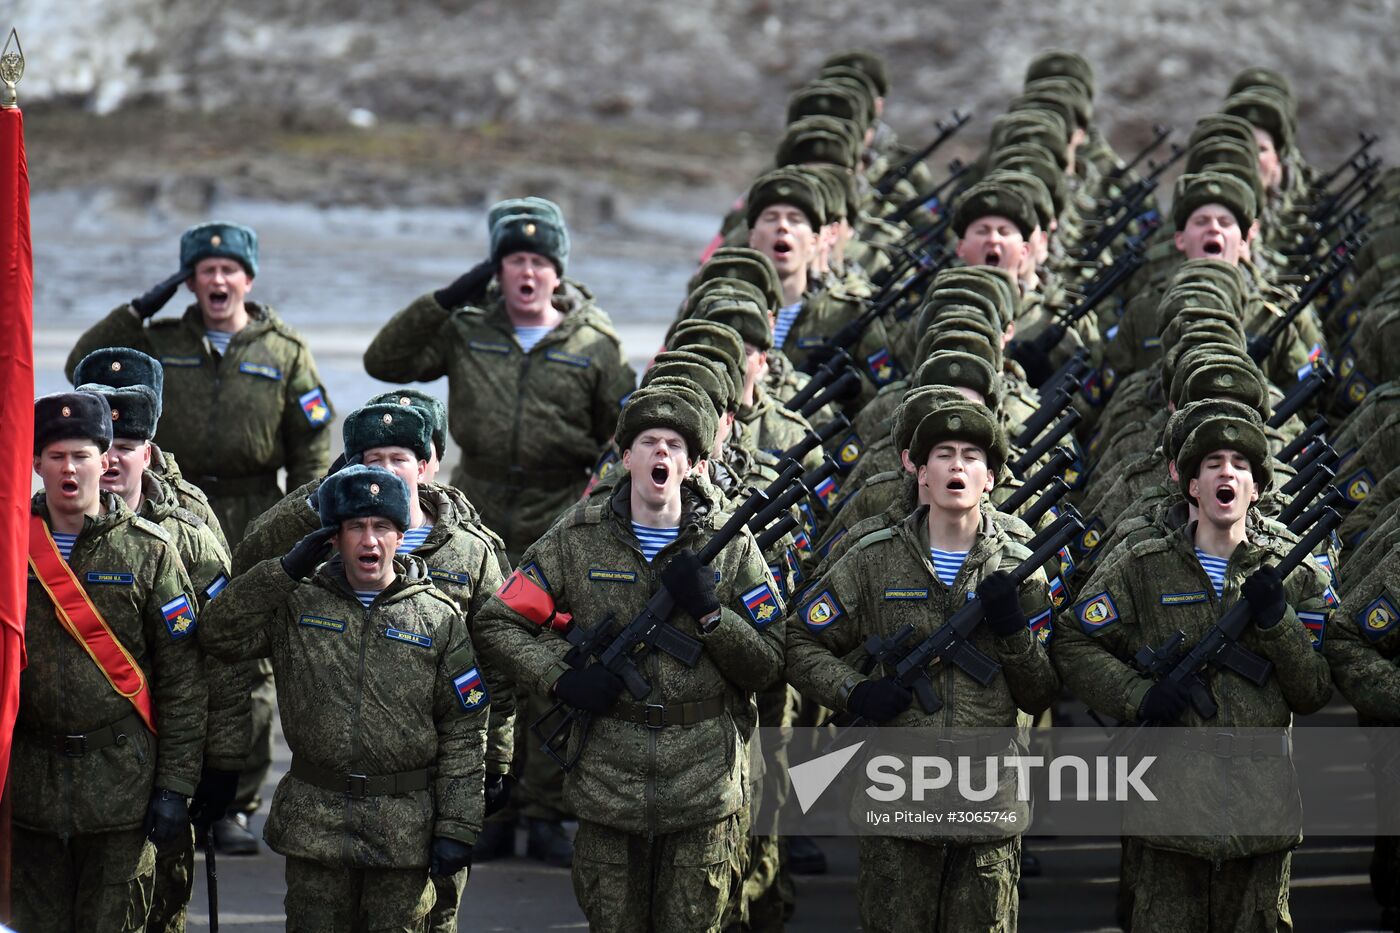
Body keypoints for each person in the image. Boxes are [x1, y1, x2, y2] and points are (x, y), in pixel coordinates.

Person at [475, 386, 784, 931]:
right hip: (607, 784)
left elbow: (769, 664)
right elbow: (500, 623)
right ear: (626, 457)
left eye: (674, 445)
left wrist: (713, 615)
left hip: (703, 787)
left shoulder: (732, 544)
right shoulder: (577, 538)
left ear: (695, 464)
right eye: (648, 442)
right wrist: (561, 678)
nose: (661, 454)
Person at [1052, 412, 1333, 931]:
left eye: (1240, 465)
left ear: (1255, 489)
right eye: (1212, 464)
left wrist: (1279, 623)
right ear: (1191, 486)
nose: (1227, 473)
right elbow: (1072, 640)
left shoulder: (1295, 574)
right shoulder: (1143, 563)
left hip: (1259, 817)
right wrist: (1138, 693)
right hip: (1167, 816)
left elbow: (1315, 690)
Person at [787, 399, 1055, 931]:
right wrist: (855, 691)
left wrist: (1013, 633)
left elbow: (1041, 692)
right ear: (918, 471)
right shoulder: (872, 555)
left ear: (991, 478)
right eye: (943, 455)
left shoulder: (1023, 566)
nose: (957, 466)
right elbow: (799, 641)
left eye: (971, 456)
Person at [201, 466, 488, 931]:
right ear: (333, 538)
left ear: (402, 534)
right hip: (316, 825)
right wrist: (282, 572)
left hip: (404, 832)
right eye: (355, 527)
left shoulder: (438, 618)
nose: (369, 541)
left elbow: (464, 728)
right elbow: (219, 635)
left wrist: (458, 825)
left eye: (381, 528)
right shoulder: (299, 603)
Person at [12, 392, 206, 933]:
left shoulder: (150, 551)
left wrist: (175, 788)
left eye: (81, 455)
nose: (69, 469)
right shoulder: (9, 546)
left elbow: (182, 681)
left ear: (105, 461)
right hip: (31, 785)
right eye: (55, 457)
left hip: (123, 787)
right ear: (35, 464)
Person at [364, 199, 636, 562]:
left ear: (557, 275)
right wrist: (445, 301)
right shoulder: (468, 328)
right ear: (496, 270)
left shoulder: (594, 342)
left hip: (558, 510)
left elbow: (629, 431)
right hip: (475, 502)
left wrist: (597, 495)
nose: (528, 272)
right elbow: (385, 362)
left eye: (539, 262)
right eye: (516, 261)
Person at [78, 379, 252, 933]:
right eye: (97, 447)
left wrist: (223, 763)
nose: (109, 462)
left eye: (124, 448)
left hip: (166, 752)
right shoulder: (45, 534)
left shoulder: (189, 536)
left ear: (146, 454)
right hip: (71, 758)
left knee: (159, 905)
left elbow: (222, 656)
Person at [64, 221, 334, 546]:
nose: (218, 279)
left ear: (248, 279)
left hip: (258, 510)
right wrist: (136, 312)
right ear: (190, 281)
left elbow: (311, 449)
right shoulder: (162, 343)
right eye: (207, 270)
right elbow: (79, 365)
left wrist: (300, 522)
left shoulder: (284, 351)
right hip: (171, 504)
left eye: (229, 269)